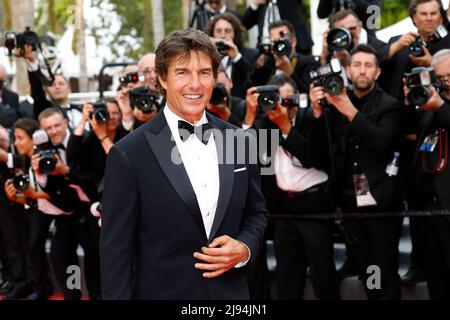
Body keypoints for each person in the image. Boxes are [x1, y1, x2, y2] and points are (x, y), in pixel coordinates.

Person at [100, 28, 268, 300]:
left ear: (214, 78)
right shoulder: (129, 153)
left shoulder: (237, 140)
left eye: (204, 72)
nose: (195, 84)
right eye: (182, 72)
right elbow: (115, 252)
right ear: (162, 79)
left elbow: (257, 213)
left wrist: (244, 248)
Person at [309, 44, 405, 300]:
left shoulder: (390, 106)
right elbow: (320, 152)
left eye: (368, 65)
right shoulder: (336, 101)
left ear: (378, 72)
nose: (362, 71)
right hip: (349, 205)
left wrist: (347, 109)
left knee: (384, 275)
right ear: (348, 71)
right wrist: (318, 112)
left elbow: (381, 142)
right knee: (367, 275)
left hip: (382, 206)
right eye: (357, 65)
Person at [404, 49, 450, 299]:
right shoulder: (430, 106)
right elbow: (410, 135)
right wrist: (411, 102)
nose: (445, 83)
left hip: (448, 207)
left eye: (449, 77)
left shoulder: (439, 105)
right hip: (427, 210)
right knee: (436, 280)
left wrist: (440, 105)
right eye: (440, 78)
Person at [205, 12, 259, 98]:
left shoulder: (250, 54)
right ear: (212, 34)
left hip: (240, 106)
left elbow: (255, 81)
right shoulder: (206, 56)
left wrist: (236, 57)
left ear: (235, 34)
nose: (223, 35)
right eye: (218, 31)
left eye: (227, 31)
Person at [242, 0, 314, 55]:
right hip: (265, 50)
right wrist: (254, 5)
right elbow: (244, 25)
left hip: (294, 48)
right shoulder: (262, 5)